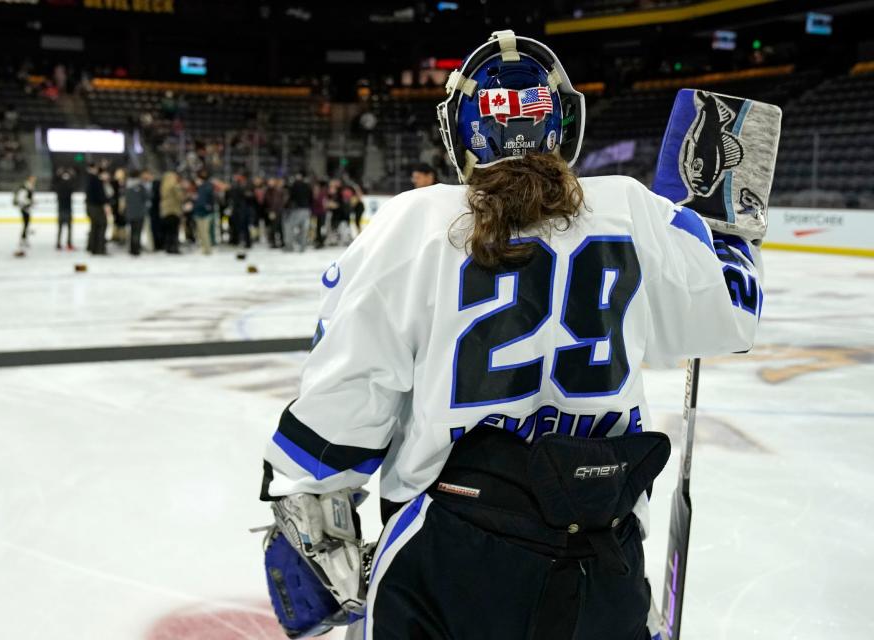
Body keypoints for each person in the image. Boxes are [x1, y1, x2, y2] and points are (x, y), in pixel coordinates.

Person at [260, 31, 764, 640]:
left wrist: (309, 498)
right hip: (602, 558)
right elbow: (729, 316)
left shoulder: (416, 222)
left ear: (461, 130)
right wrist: (724, 230)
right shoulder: (634, 210)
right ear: (561, 120)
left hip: (446, 556)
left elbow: (346, 395)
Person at [124, 169, 150, 256]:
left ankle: (132, 248)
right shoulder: (140, 186)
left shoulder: (127, 185)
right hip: (139, 212)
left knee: (132, 231)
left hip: (130, 212)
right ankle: (136, 249)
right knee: (137, 231)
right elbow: (147, 196)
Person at [285, 172, 313, 252]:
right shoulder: (308, 186)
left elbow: (291, 197)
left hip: (297, 210)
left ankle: (289, 246)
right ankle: (302, 247)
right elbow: (311, 198)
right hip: (306, 210)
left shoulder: (295, 185)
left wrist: (287, 207)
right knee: (304, 230)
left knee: (290, 227)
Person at [84, 163, 108, 255]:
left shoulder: (89, 178)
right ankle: (99, 248)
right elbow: (100, 195)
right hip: (96, 207)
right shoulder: (95, 180)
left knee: (94, 227)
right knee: (101, 225)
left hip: (90, 206)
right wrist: (105, 203)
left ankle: (92, 247)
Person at [159, 170, 185, 254]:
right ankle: (174, 248)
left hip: (165, 211)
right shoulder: (175, 186)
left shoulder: (163, 187)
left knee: (168, 231)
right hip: (174, 211)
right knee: (174, 231)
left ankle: (168, 247)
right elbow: (180, 197)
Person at [191, 170, 215, 255]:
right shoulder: (198, 188)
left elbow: (206, 201)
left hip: (206, 214)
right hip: (198, 213)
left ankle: (207, 250)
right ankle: (204, 249)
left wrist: (207, 207)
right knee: (201, 233)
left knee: (205, 233)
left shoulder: (207, 187)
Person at [53, 167, 75, 250]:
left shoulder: (59, 187)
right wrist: (72, 175)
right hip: (68, 210)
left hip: (61, 210)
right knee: (69, 229)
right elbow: (74, 184)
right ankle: (69, 243)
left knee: (60, 228)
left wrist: (58, 174)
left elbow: (54, 183)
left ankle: (58, 243)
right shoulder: (69, 187)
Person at [13, 174, 35, 247]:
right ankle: (23, 239)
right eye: (32, 178)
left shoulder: (29, 187)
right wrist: (29, 202)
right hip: (24, 208)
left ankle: (24, 239)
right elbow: (21, 198)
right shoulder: (25, 187)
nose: (33, 180)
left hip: (26, 208)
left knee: (26, 224)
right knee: (26, 224)